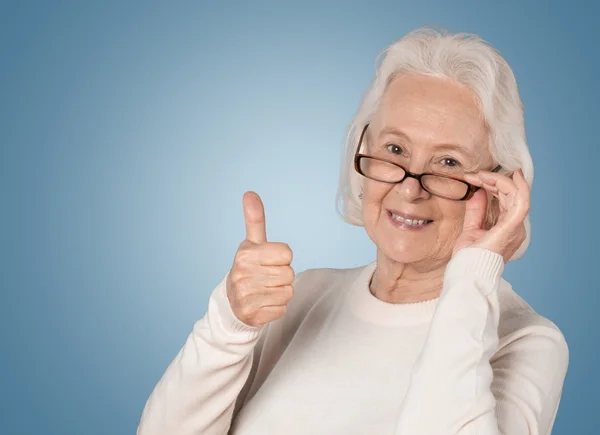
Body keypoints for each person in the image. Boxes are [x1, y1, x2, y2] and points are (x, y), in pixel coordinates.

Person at [136, 27, 569, 435]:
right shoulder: (306, 294)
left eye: (449, 163)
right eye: (395, 149)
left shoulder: (528, 341)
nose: (409, 187)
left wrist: (475, 273)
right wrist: (231, 324)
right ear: (363, 152)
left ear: (499, 191)